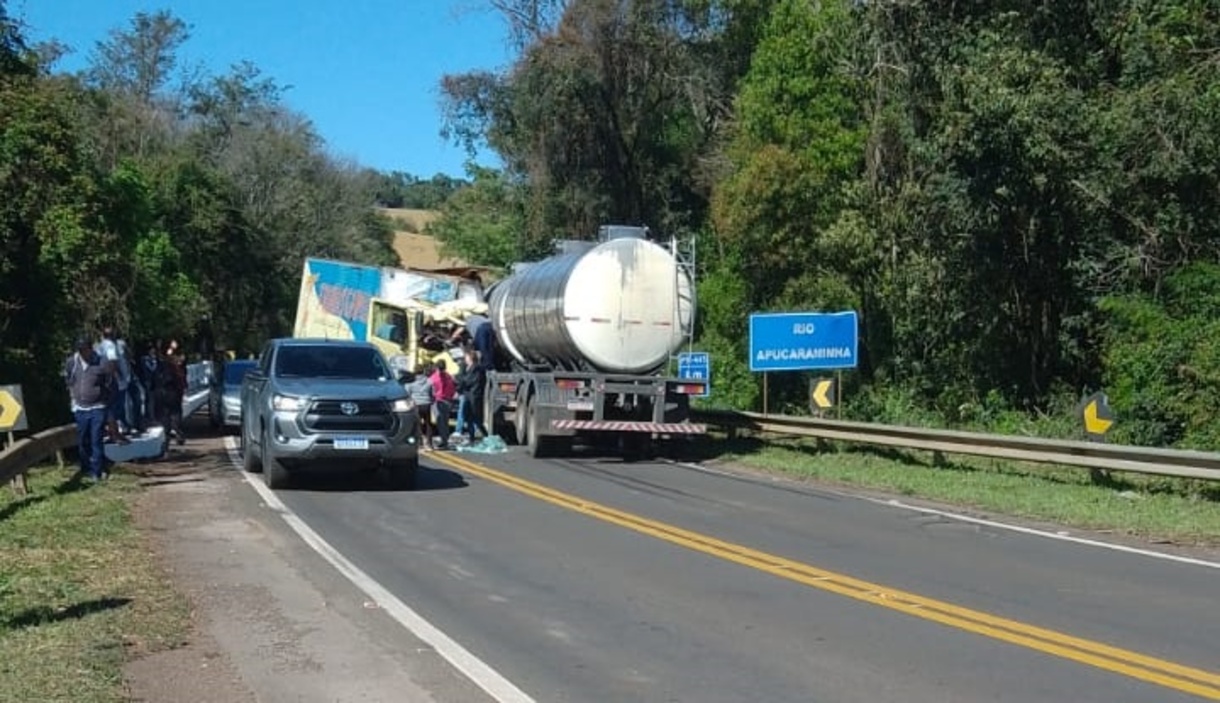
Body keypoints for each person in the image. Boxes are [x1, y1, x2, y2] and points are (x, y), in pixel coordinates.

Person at [64, 336, 111, 481]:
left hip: (97, 406)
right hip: (80, 407)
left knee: (96, 438)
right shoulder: (72, 362)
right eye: (80, 350)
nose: (83, 353)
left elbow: (108, 381)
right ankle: (86, 466)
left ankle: (96, 471)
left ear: (91, 349)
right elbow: (69, 381)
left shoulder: (101, 362)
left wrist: (105, 401)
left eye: (85, 350)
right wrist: (73, 399)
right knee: (83, 439)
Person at [456, 348, 488, 442]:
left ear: (470, 357)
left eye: (466, 357)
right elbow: (463, 380)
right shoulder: (467, 368)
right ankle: (471, 437)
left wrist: (460, 380)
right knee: (468, 417)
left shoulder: (477, 369)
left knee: (476, 419)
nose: (465, 359)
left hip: (474, 396)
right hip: (467, 395)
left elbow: (469, 381)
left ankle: (486, 435)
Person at [405, 364, 435, 451]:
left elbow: (408, 394)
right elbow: (432, 393)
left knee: (417, 425)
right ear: (423, 371)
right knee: (428, 424)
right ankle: (429, 444)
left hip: (416, 404)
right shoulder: (429, 381)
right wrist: (431, 400)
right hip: (427, 404)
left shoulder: (410, 382)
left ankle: (419, 443)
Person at [429, 361, 457, 449]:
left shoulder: (433, 378)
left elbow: (430, 389)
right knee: (445, 421)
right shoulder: (448, 376)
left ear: (436, 367)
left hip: (438, 401)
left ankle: (444, 441)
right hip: (448, 400)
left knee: (440, 422)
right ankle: (445, 440)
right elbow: (453, 388)